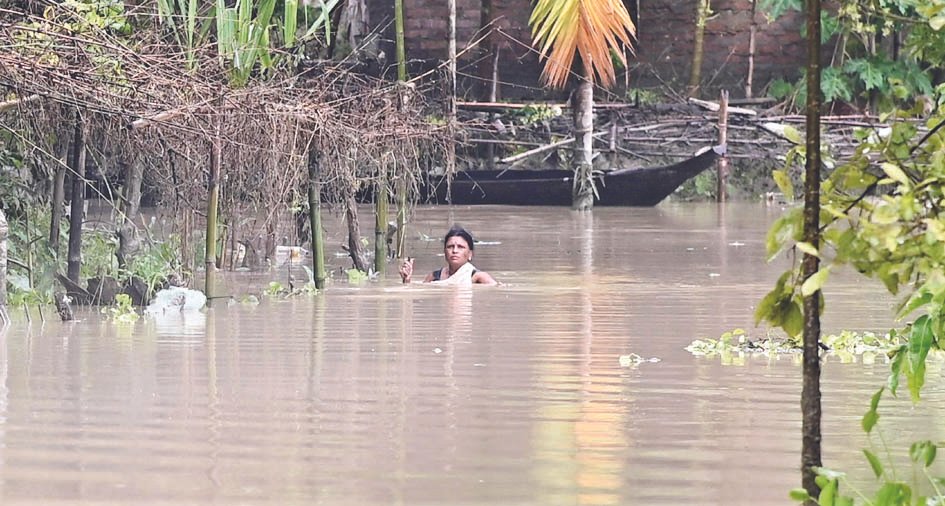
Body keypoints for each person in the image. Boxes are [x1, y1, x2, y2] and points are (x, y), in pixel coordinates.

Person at [399, 226, 498, 285]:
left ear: (470, 254)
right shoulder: (434, 277)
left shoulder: (477, 277)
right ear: (445, 252)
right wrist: (407, 280)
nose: (454, 251)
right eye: (450, 247)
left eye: (460, 247)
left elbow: (497, 289)